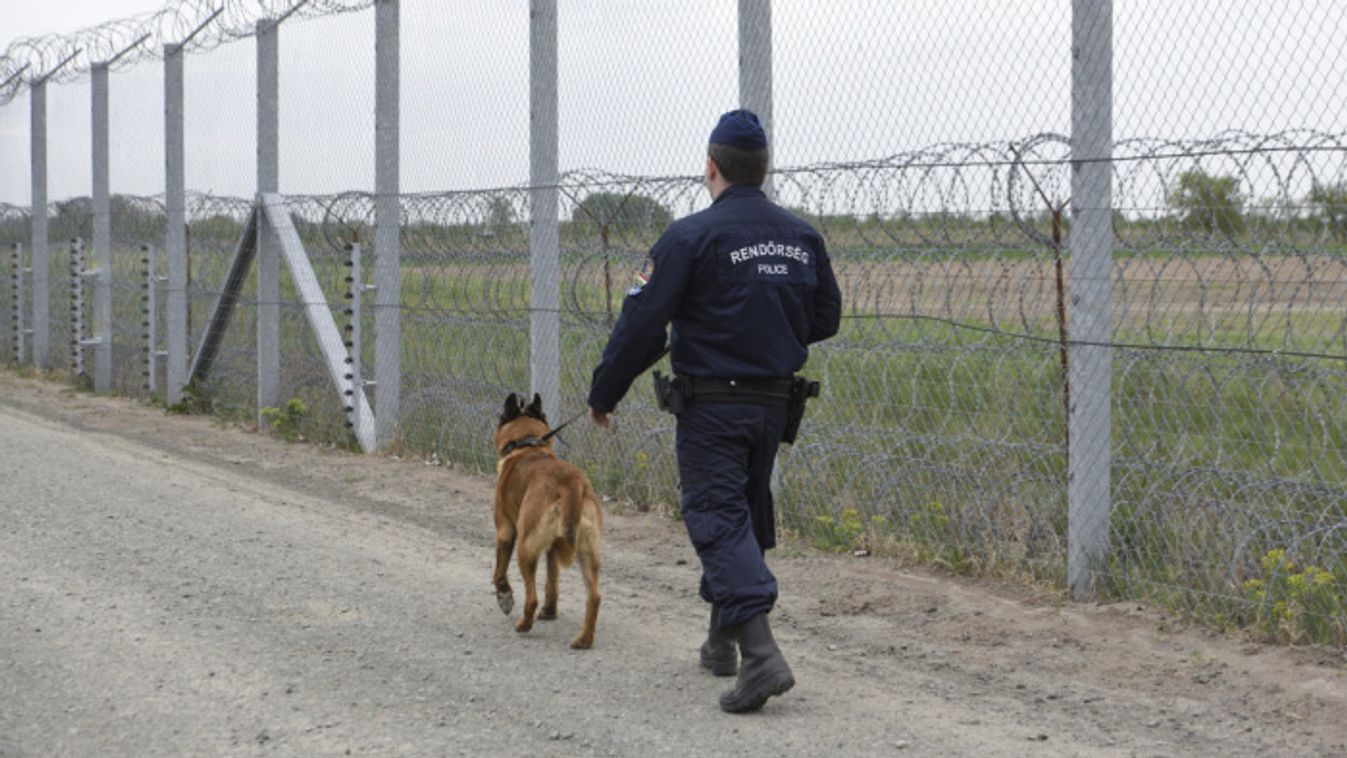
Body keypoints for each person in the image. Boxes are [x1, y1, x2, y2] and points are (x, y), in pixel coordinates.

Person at [586, 109, 842, 713]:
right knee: (742, 513)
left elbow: (642, 324)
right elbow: (826, 317)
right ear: (764, 168)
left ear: (710, 166)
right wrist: (769, 330)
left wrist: (605, 392)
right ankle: (718, 643)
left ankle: (761, 655)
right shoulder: (801, 237)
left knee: (714, 513)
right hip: (774, 407)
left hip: (713, 408)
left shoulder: (690, 237)